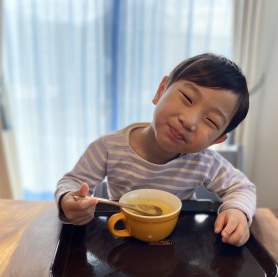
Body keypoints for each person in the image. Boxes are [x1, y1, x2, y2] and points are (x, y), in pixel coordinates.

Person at [54, 53, 256, 247]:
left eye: (211, 121)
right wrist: (69, 200)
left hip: (178, 244)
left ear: (216, 140)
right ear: (161, 90)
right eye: (187, 98)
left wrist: (238, 211)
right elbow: (71, 182)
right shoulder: (109, 147)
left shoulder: (204, 161)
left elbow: (242, 187)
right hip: (119, 238)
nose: (189, 121)